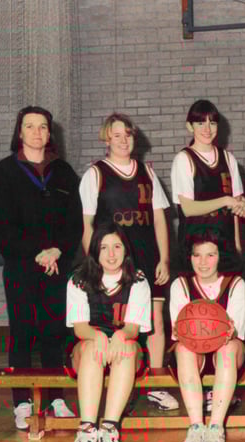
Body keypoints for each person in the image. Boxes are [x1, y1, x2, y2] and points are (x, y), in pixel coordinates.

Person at [0, 106, 83, 431]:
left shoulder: (63, 171)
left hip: (57, 265)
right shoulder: (5, 171)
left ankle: (56, 398)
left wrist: (58, 250)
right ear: (20, 132)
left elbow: (74, 223)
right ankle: (22, 402)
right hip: (21, 266)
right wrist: (36, 253)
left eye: (42, 126)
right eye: (30, 126)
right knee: (23, 332)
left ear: (49, 133)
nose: (37, 132)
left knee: (55, 332)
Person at [79, 113, 178, 411]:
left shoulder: (147, 172)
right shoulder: (95, 174)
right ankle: (116, 381)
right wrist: (94, 262)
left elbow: (159, 218)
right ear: (106, 139)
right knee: (117, 319)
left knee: (156, 320)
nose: (123, 140)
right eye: (117, 135)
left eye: (128, 134)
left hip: (146, 255)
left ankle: (156, 385)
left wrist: (164, 258)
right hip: (111, 257)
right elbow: (87, 225)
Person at [66, 223, 150, 442]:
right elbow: (81, 328)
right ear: (95, 251)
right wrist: (99, 336)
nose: (111, 254)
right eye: (104, 248)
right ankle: (87, 430)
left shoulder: (138, 280)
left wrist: (120, 335)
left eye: (117, 246)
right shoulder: (78, 280)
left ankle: (109, 430)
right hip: (89, 346)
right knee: (93, 347)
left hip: (126, 347)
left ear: (126, 249)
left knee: (125, 347)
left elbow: (133, 328)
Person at [170, 231, 245, 442]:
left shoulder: (236, 284)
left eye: (210, 255)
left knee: (227, 347)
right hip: (194, 354)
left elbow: (236, 332)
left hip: (229, 351)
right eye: (197, 255)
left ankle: (215, 427)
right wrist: (181, 331)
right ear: (189, 257)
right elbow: (179, 334)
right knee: (183, 347)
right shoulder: (180, 285)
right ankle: (196, 427)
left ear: (221, 256)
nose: (203, 262)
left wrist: (226, 332)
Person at [170, 99, 245, 275]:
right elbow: (188, 208)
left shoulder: (228, 158)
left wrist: (238, 245)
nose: (207, 129)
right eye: (201, 123)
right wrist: (226, 200)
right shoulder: (184, 159)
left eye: (212, 123)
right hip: (196, 250)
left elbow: (236, 207)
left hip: (225, 248)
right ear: (190, 126)